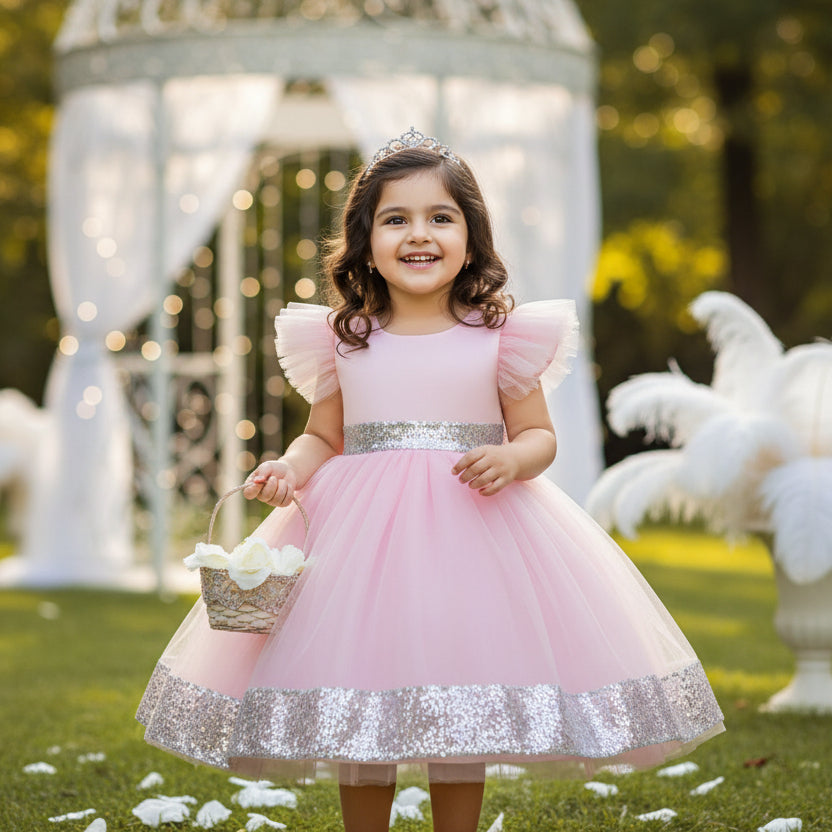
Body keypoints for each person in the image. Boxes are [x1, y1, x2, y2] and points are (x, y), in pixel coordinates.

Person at [137, 128, 724, 832]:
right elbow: (324, 435)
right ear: (366, 241)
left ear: (471, 239)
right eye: (396, 219)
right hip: (359, 543)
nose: (419, 235)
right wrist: (289, 467)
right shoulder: (347, 335)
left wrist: (512, 458)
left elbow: (539, 436)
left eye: (440, 218)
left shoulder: (500, 336)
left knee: (459, 697)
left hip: (473, 532)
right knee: (358, 692)